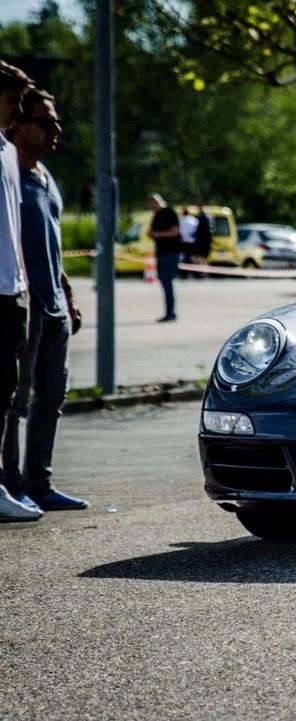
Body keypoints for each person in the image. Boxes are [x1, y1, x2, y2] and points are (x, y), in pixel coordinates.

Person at [1, 87, 87, 512]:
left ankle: (41, 484)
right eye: (47, 121)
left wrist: (68, 293)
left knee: (52, 396)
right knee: (16, 400)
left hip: (53, 304)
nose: (57, 129)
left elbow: (53, 244)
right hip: (23, 301)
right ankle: (11, 486)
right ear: (18, 126)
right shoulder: (8, 174)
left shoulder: (45, 176)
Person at [0, 60, 41, 522]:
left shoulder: (8, 153)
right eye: (12, 101)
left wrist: (24, 284)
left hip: (12, 293)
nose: (18, 112)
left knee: (7, 395)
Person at [148, 193, 181, 321]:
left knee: (167, 281)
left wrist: (158, 234)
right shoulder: (156, 216)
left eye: (151, 204)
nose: (150, 207)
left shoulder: (169, 213)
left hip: (171, 252)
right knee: (163, 281)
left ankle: (170, 313)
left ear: (157, 202)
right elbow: (152, 232)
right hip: (161, 253)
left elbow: (175, 232)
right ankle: (169, 312)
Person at [192, 203, 213, 277]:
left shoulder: (203, 217)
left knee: (202, 257)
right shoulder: (206, 217)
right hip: (204, 240)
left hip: (203, 241)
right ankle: (204, 272)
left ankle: (204, 272)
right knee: (202, 257)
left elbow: (202, 230)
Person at [178, 207, 198, 278]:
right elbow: (197, 230)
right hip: (193, 242)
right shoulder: (194, 220)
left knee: (185, 258)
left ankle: (185, 273)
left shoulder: (182, 220)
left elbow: (180, 231)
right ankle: (193, 273)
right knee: (193, 257)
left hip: (185, 242)